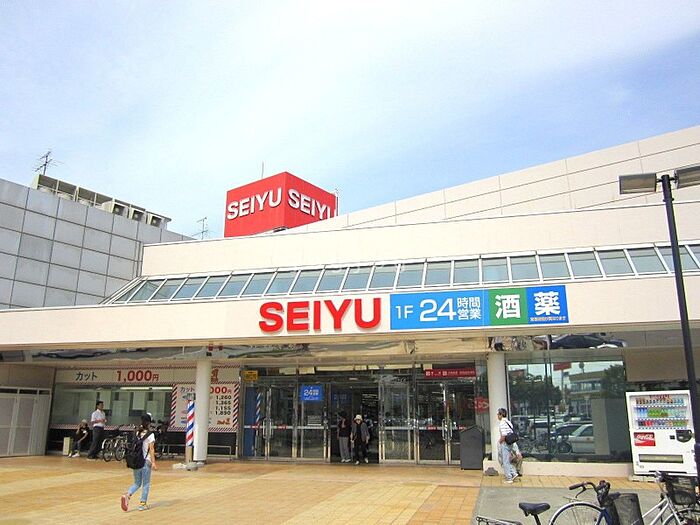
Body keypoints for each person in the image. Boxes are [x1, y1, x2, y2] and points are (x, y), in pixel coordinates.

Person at [121, 413, 157, 512]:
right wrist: (153, 462)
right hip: (146, 461)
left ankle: (127, 495)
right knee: (146, 484)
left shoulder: (137, 432)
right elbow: (151, 449)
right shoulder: (151, 435)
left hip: (136, 461)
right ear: (149, 423)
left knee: (137, 483)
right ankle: (142, 504)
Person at [497, 407, 518, 484]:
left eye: (498, 414)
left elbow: (504, 435)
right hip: (510, 442)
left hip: (505, 443)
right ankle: (513, 473)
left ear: (501, 415)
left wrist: (500, 442)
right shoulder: (508, 422)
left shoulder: (502, 423)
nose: (497, 416)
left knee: (505, 461)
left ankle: (509, 478)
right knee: (506, 460)